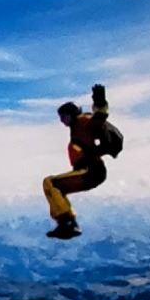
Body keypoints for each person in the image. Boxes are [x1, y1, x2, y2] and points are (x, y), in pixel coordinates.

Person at [44, 84, 117, 239]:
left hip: (90, 171)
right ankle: (66, 223)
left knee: (51, 183)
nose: (61, 120)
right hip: (88, 171)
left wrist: (99, 100)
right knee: (56, 187)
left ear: (71, 114)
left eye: (63, 116)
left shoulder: (82, 122)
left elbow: (99, 118)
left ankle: (67, 223)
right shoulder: (77, 127)